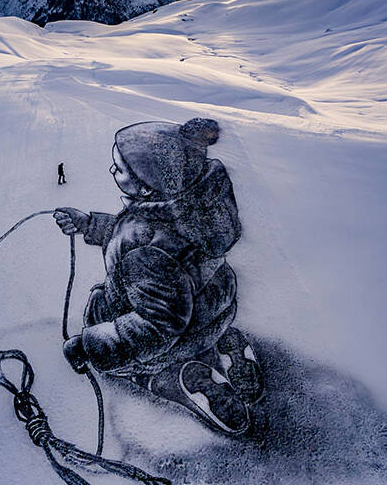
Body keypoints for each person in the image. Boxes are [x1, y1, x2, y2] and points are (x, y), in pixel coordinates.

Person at [53, 118, 263, 436]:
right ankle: (223, 341)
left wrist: (90, 345)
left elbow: (157, 324)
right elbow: (150, 235)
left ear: (146, 187)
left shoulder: (146, 253)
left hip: (178, 333)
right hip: (215, 307)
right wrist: (90, 225)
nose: (112, 171)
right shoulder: (193, 206)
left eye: (119, 169)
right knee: (188, 319)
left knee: (123, 363)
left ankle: (169, 379)